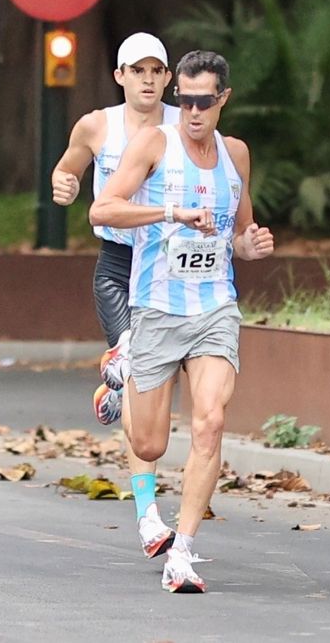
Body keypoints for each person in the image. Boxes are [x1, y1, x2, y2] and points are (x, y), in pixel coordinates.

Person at [90, 49, 274, 593]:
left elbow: (239, 233)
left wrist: (251, 244)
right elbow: (105, 209)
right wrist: (169, 213)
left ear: (223, 100)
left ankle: (183, 552)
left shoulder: (235, 154)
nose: (192, 111)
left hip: (216, 308)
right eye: (184, 100)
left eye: (204, 101)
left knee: (210, 421)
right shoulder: (154, 144)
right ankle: (122, 381)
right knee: (149, 446)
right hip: (157, 307)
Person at [50, 32, 181, 559]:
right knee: (136, 376)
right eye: (138, 70)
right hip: (118, 268)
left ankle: (117, 386)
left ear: (168, 78)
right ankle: (147, 516)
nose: (148, 80)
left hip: (168, 272)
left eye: (157, 71)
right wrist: (65, 184)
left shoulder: (183, 128)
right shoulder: (97, 124)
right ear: (120, 76)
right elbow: (67, 168)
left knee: (145, 393)